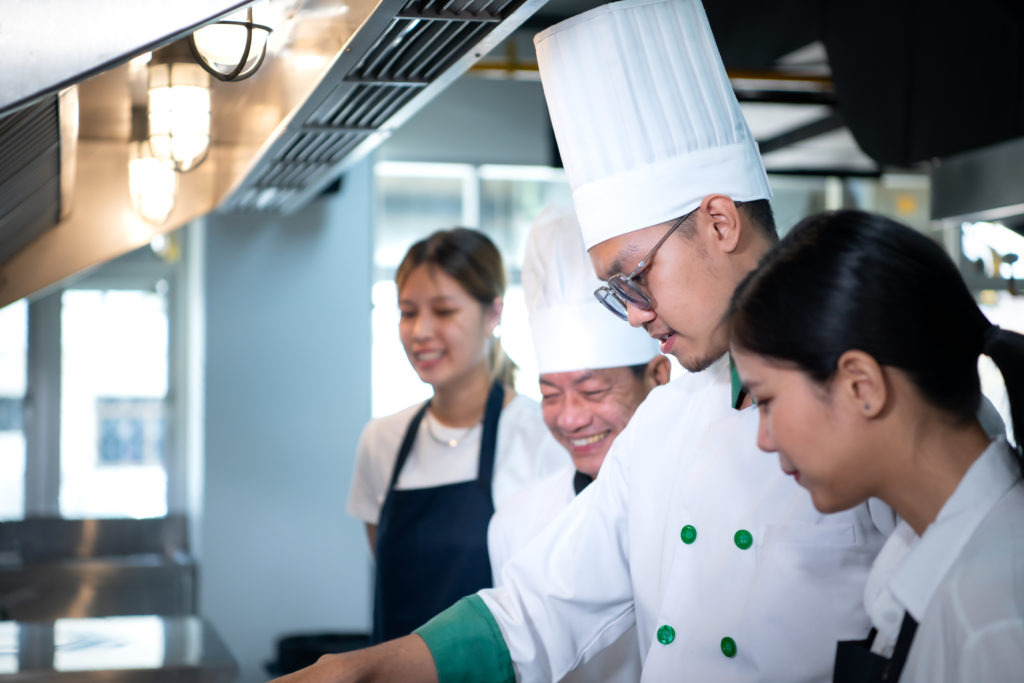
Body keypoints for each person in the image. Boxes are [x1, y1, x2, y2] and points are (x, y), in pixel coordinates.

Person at [272, 1, 890, 680]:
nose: (632, 315)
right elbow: (535, 612)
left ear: (718, 222)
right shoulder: (665, 425)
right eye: (615, 290)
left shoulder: (876, 392)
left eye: (634, 275)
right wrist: (360, 670)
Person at [728, 209, 1024, 682]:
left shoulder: (992, 614)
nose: (763, 440)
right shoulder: (939, 559)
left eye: (766, 400)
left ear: (861, 386)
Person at [346, 227, 563, 643]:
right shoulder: (381, 441)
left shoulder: (541, 435)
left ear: (493, 314)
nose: (421, 331)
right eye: (408, 312)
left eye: (443, 311)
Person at [487, 206, 671, 683]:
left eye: (593, 392)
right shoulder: (515, 522)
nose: (569, 417)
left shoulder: (693, 501)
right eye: (549, 394)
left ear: (659, 376)